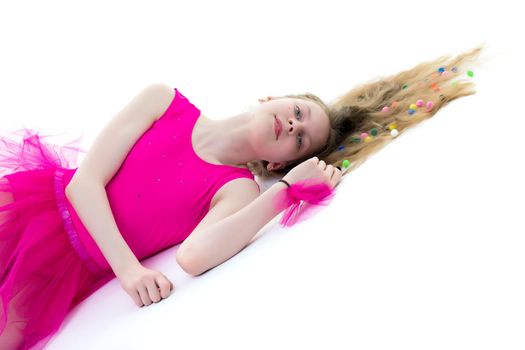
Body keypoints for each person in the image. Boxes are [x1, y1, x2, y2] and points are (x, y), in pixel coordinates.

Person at [0, 45, 483, 349]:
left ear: (277, 164)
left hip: (64, 269)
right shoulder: (162, 100)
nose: (292, 125)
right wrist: (129, 269)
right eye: (296, 112)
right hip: (30, 210)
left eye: (299, 139)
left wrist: (286, 195)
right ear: (269, 98)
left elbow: (192, 257)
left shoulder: (236, 190)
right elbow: (83, 185)